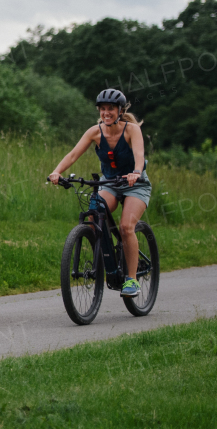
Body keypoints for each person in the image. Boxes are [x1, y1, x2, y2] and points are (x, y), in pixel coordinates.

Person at [48, 88, 150, 296]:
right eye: (102, 109)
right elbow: (74, 154)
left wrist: (136, 172)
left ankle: (131, 279)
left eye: (111, 109)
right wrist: (57, 171)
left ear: (120, 111)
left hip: (135, 183)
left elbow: (139, 155)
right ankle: (105, 260)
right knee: (95, 213)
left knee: (126, 227)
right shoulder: (94, 132)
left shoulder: (131, 130)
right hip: (110, 183)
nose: (106, 113)